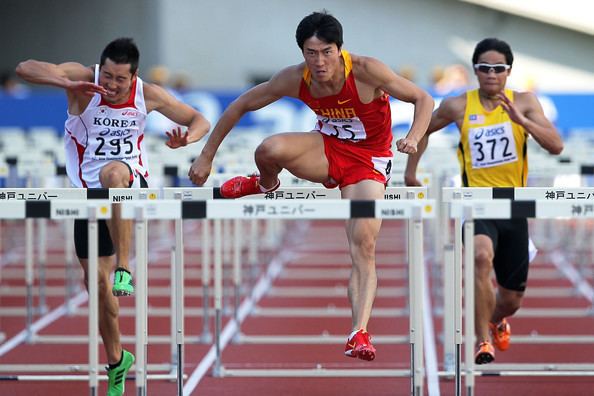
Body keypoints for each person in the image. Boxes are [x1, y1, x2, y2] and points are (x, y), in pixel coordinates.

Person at [189, 11, 434, 361]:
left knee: (363, 242)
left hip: (369, 160)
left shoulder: (366, 71)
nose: (320, 62)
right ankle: (264, 183)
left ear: (339, 49)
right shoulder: (294, 78)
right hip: (325, 149)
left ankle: (358, 331)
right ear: (302, 52)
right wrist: (206, 156)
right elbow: (241, 105)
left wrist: (412, 137)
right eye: (311, 53)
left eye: (327, 52)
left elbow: (423, 99)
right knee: (268, 149)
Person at [16, 38, 210, 395]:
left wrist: (188, 139)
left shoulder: (147, 94)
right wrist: (66, 84)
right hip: (87, 197)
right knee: (98, 289)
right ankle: (118, 359)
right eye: (107, 75)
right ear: (99, 68)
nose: (111, 85)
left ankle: (126, 266)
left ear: (133, 76)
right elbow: (24, 67)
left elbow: (200, 120)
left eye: (120, 79)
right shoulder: (81, 79)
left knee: (113, 175)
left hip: (129, 182)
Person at [404, 38, 563, 364]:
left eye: (498, 69)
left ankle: (495, 318)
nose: (491, 74)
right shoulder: (458, 105)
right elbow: (421, 130)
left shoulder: (526, 103)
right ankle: (481, 342)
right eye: (484, 68)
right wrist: (411, 171)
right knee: (479, 257)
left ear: (508, 72)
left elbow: (556, 146)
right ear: (476, 71)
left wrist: (524, 122)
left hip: (514, 206)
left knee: (512, 300)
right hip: (475, 203)